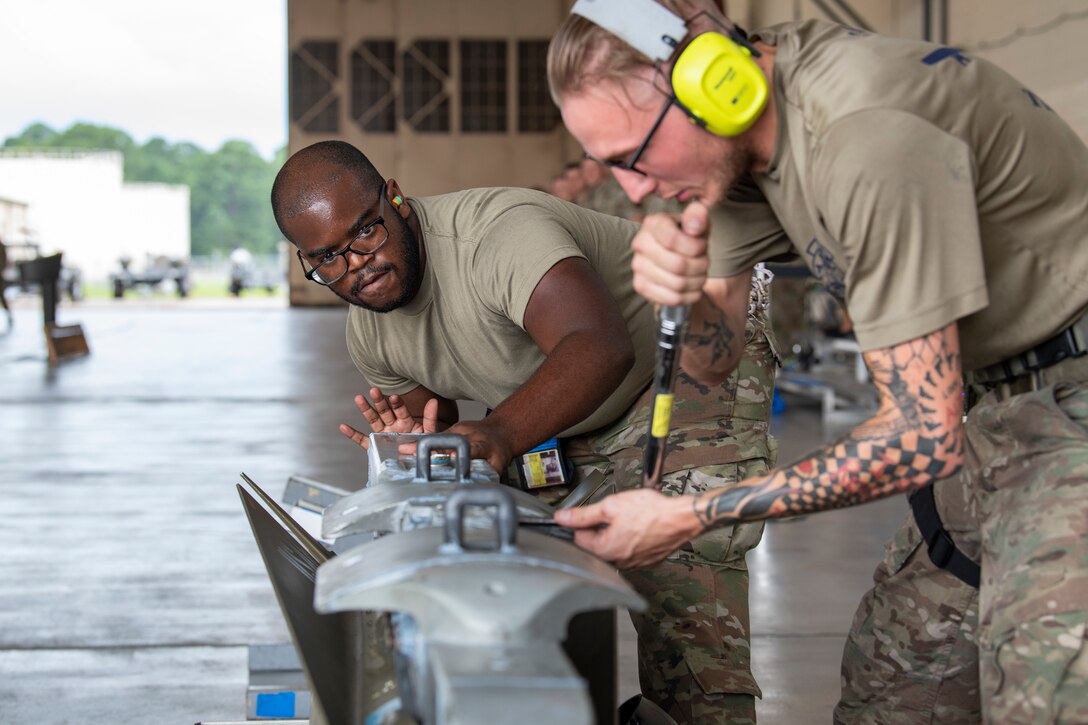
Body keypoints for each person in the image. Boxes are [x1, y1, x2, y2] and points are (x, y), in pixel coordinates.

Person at [547, 1, 1088, 722]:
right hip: (996, 408)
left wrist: (692, 513)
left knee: (1048, 692)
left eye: (633, 156)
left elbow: (920, 437)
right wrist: (684, 296)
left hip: (1070, 402)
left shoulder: (864, 136)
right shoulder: (733, 151)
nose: (636, 189)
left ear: (711, 80)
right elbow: (714, 362)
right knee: (893, 695)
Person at [271, 140, 779, 724]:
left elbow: (599, 346)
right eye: (328, 258)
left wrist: (498, 433)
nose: (357, 265)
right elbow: (445, 428)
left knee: (677, 585)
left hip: (686, 356)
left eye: (366, 232)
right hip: (571, 406)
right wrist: (416, 445)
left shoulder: (498, 234)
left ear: (395, 198)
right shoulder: (370, 333)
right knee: (525, 570)